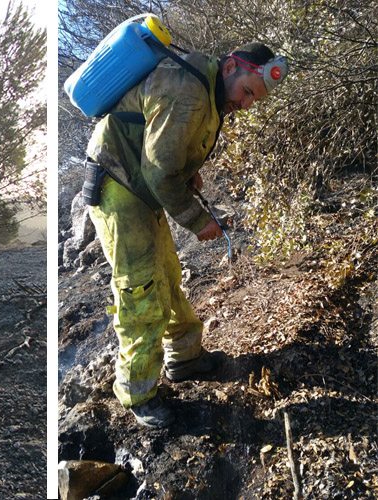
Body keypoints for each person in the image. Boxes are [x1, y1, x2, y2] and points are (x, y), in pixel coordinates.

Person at [85, 42, 287, 428]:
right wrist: (197, 219)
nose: (246, 105)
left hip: (138, 185)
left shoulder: (208, 90)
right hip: (119, 186)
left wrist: (188, 172)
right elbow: (159, 170)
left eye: (254, 100)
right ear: (231, 67)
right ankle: (138, 393)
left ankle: (184, 357)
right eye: (247, 92)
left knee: (167, 273)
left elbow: (167, 150)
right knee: (140, 288)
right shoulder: (189, 89)